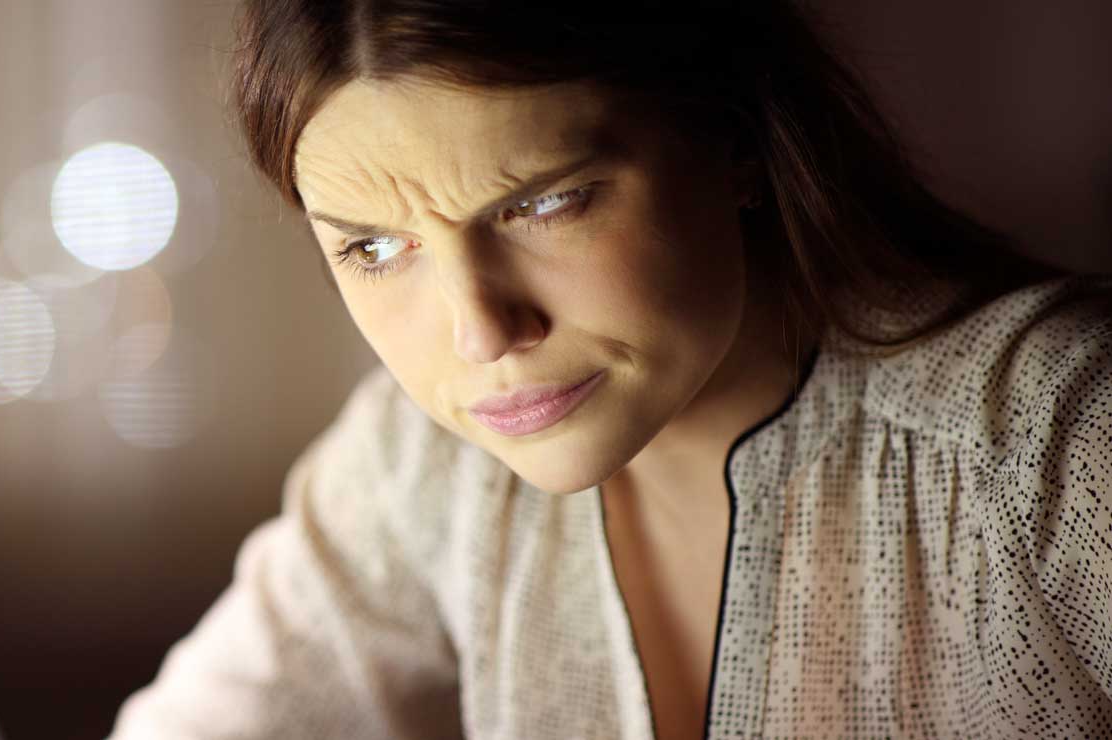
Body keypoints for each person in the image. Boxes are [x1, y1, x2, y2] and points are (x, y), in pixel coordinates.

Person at [108, 1, 1112, 738]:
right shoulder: (423, 458)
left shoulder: (1055, 442)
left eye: (545, 203)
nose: (481, 333)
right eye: (374, 248)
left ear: (731, 140)